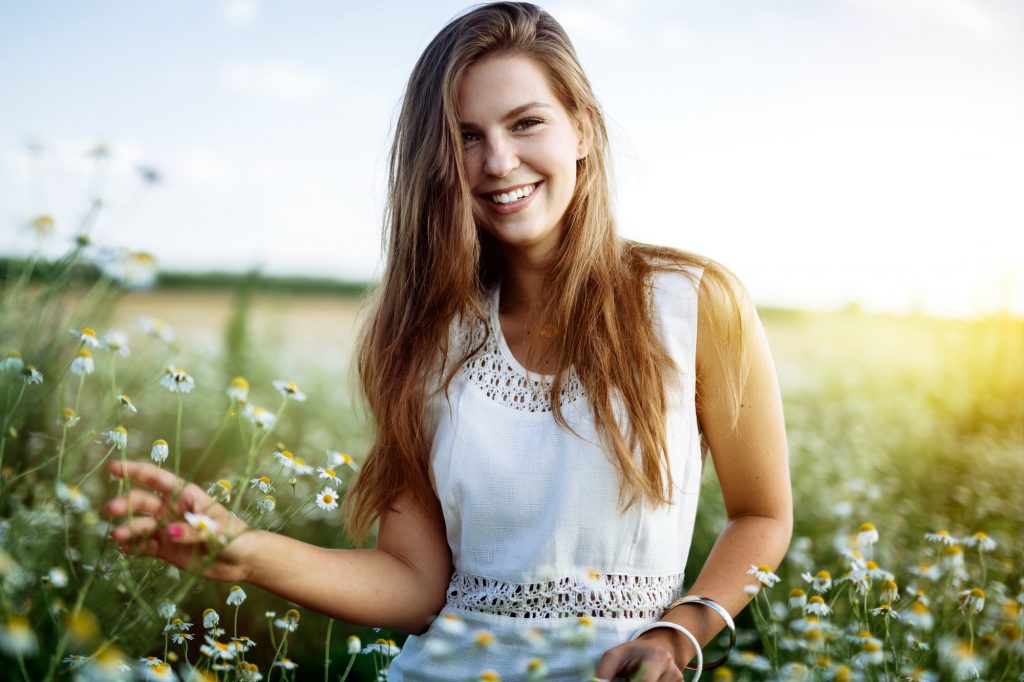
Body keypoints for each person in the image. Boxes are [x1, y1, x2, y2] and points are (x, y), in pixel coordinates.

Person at [104, 3, 792, 679]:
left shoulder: (693, 302)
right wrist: (246, 552)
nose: (497, 161)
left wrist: (676, 635)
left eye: (527, 123)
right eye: (465, 136)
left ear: (581, 129)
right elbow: (413, 584)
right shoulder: (424, 335)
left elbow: (761, 514)